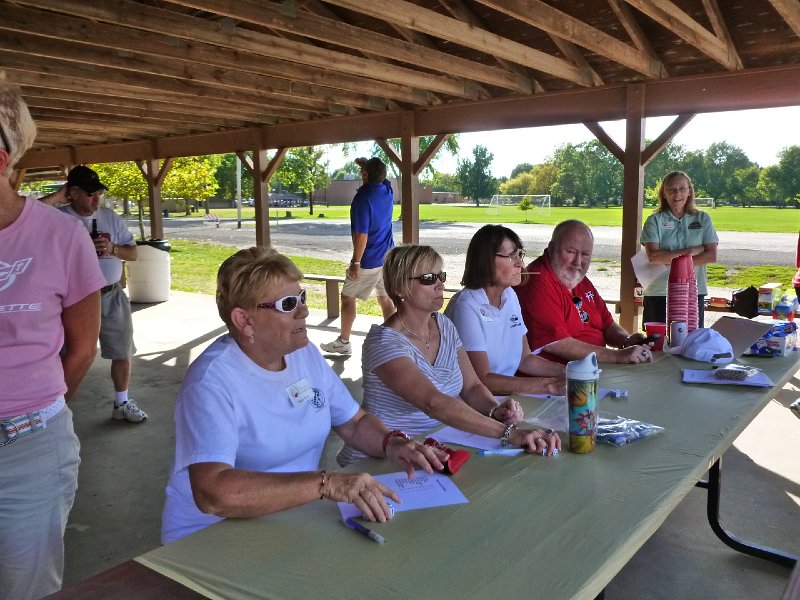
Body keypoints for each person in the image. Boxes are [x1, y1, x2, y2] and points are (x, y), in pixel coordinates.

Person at [161, 247, 446, 544]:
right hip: (209, 537)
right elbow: (213, 493)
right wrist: (325, 484)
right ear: (244, 320)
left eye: (302, 298)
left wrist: (394, 443)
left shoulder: (303, 354)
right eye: (287, 304)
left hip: (286, 519)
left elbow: (353, 422)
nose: (304, 311)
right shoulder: (211, 382)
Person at [0, 83, 106, 599]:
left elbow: (83, 348)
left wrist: (33, 412)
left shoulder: (61, 237)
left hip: (28, 447)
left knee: (25, 585)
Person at [338, 244, 562, 467]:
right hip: (386, 460)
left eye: (440, 276)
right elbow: (434, 403)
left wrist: (494, 409)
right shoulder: (384, 342)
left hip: (437, 449)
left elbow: (472, 386)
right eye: (428, 278)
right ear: (399, 288)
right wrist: (510, 433)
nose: (440, 284)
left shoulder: (443, 324)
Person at [60, 166, 147, 423]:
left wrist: (113, 248)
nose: (96, 199)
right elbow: (27, 209)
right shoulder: (58, 219)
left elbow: (133, 253)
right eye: (89, 194)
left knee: (122, 351)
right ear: (72, 193)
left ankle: (121, 402)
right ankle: (58, 408)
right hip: (74, 299)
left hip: (110, 294)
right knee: (71, 355)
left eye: (98, 192)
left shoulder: (110, 217)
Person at [444, 225, 565, 396]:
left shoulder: (509, 295)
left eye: (519, 255)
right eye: (511, 256)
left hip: (503, 399)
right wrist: (549, 386)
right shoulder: (467, 305)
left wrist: (568, 371)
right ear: (485, 260)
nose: (520, 263)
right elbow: (482, 380)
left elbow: (525, 359)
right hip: (473, 403)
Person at [514, 220, 652, 364]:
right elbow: (556, 343)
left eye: (585, 254)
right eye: (571, 252)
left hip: (594, 368)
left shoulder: (578, 279)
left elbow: (607, 324)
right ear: (551, 248)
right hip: (562, 376)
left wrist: (626, 340)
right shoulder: (537, 281)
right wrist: (618, 356)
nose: (578, 262)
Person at [321, 157, 395, 356]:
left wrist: (355, 262)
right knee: (385, 299)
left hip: (368, 260)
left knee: (347, 297)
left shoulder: (362, 199)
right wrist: (367, 166)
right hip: (387, 257)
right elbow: (381, 177)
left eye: (363, 171)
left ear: (364, 175)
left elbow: (362, 235)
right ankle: (394, 342)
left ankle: (344, 342)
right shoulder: (388, 190)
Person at [641, 171, 719, 327]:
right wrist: (690, 251)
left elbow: (711, 255)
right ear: (664, 193)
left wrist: (670, 259)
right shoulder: (654, 220)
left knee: (690, 343)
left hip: (692, 291)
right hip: (659, 291)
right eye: (672, 189)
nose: (677, 194)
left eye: (682, 189)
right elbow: (654, 257)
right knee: (657, 344)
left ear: (689, 191)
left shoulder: (702, 219)